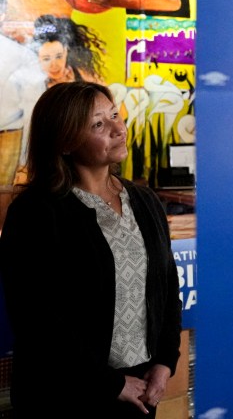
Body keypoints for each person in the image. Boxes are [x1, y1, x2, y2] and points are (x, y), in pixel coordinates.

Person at [0, 82, 182, 417]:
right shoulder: (36, 212)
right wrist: (110, 384)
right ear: (66, 141)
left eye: (115, 115)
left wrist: (165, 362)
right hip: (64, 395)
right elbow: (36, 318)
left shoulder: (144, 201)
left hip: (139, 390)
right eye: (98, 124)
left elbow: (167, 287)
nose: (118, 128)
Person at [0, 0, 45, 185]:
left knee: (2, 199)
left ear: (1, 15)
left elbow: (33, 109)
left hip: (7, 139)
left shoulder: (22, 56)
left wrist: (27, 159)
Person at [31, 14, 106, 86]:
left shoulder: (83, 75)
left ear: (66, 52)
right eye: (46, 59)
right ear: (38, 58)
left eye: (59, 56)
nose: (54, 65)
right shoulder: (34, 86)